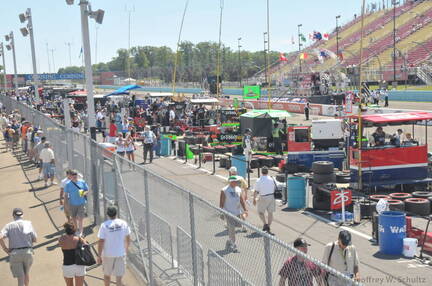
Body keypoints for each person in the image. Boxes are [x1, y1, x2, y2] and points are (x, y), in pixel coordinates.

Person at [0, 208, 37, 286]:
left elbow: (0, 237)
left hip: (15, 253)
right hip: (28, 252)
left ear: (13, 215)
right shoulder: (28, 223)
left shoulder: (9, 225)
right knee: (26, 273)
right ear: (22, 215)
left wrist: (5, 249)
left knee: (20, 278)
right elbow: (35, 239)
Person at [97, 206, 131, 286]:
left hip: (108, 254)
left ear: (107, 214)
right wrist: (126, 250)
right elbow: (128, 238)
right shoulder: (123, 223)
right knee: (118, 278)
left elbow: (101, 241)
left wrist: (99, 255)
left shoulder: (104, 225)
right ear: (116, 213)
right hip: (120, 253)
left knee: (107, 275)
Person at [219, 176, 248, 253]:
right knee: (232, 229)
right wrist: (221, 212)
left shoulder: (238, 189)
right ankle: (233, 244)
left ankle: (229, 240)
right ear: (231, 182)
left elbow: (242, 200)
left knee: (235, 227)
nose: (237, 182)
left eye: (237, 181)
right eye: (235, 181)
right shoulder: (224, 190)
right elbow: (221, 202)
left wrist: (245, 210)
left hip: (237, 212)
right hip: (228, 213)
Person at [64, 170, 89, 237]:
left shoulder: (82, 182)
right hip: (72, 204)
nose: (75, 177)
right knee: (74, 218)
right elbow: (66, 195)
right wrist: (65, 205)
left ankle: (81, 232)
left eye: (76, 176)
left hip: (81, 203)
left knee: (80, 218)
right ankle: (76, 230)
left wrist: (83, 193)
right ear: (71, 177)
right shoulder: (68, 184)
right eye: (73, 176)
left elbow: (87, 190)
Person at [253, 166, 276, 235]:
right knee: (270, 213)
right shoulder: (272, 179)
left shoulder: (259, 180)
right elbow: (274, 188)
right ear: (267, 172)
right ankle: (268, 226)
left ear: (261, 172)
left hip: (263, 197)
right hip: (271, 196)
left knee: (260, 212)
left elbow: (256, 191)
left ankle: (265, 224)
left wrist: (254, 199)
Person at [228, 166, 248, 232]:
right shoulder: (241, 178)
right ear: (236, 172)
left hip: (233, 198)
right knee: (243, 212)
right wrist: (246, 195)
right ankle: (244, 226)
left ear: (231, 172)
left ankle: (231, 225)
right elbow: (245, 187)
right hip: (241, 196)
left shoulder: (230, 179)